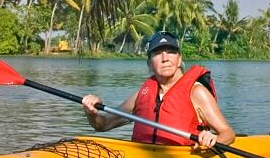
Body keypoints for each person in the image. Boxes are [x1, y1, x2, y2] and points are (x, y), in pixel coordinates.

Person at [83, 31, 235, 151]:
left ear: (179, 59)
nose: (165, 58)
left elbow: (228, 133)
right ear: (150, 63)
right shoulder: (142, 95)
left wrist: (212, 140)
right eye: (157, 53)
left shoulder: (196, 92)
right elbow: (102, 125)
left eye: (171, 52)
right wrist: (91, 113)